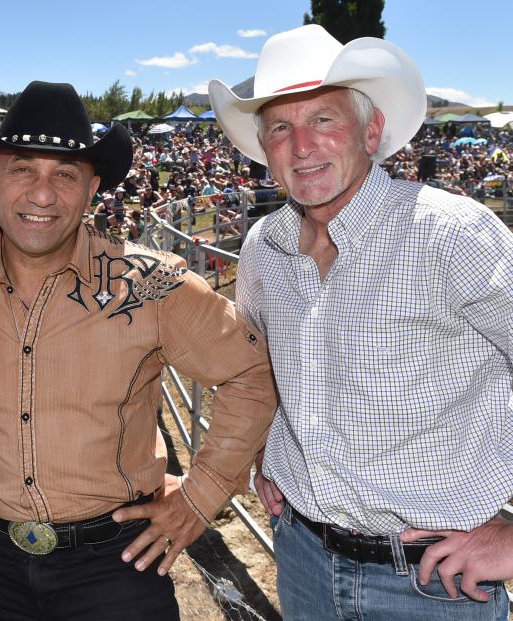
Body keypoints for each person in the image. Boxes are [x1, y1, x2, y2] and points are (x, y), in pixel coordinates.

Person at [0, 80, 278, 620]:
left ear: (92, 189)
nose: (41, 194)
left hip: (114, 559)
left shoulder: (151, 284)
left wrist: (201, 496)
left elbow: (251, 372)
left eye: (64, 175)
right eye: (22, 170)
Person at [208, 24, 513, 620]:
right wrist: (267, 452)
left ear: (371, 131)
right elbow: (261, 365)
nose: (301, 146)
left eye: (323, 119)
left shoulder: (452, 233)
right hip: (301, 556)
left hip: (435, 580)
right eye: (279, 127)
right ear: (263, 148)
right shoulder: (263, 246)